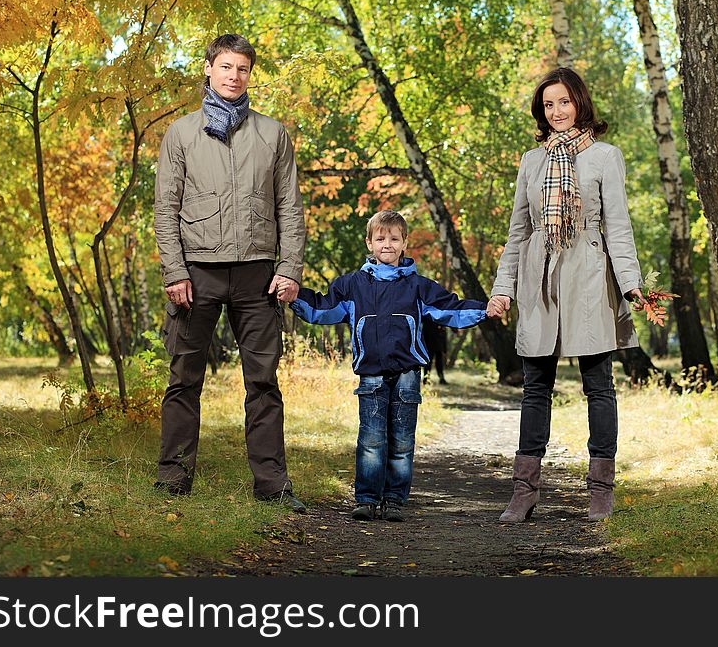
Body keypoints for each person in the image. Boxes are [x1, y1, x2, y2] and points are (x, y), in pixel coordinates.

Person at [153, 34, 307, 513]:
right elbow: (165, 209)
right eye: (225, 66)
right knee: (184, 378)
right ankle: (173, 479)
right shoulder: (180, 133)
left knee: (263, 381)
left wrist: (289, 268)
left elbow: (290, 207)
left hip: (258, 275)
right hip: (196, 274)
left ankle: (272, 485)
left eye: (242, 68)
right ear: (208, 69)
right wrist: (175, 271)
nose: (234, 76)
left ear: (249, 74)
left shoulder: (273, 134)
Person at [487, 68, 645, 522]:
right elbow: (518, 233)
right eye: (548, 105)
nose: (556, 112)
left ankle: (600, 492)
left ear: (580, 103)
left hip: (590, 278)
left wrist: (632, 284)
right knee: (535, 387)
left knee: (599, 385)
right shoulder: (531, 162)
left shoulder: (605, 156)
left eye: (564, 102)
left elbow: (618, 226)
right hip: (540, 278)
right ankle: (524, 491)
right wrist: (503, 290)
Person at [290, 210, 487, 521]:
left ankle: (395, 499)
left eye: (394, 238)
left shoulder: (419, 287)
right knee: (371, 438)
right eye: (380, 238)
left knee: (402, 440)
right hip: (370, 373)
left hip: (408, 374)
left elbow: (450, 308)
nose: (387, 244)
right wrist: (294, 296)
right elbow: (322, 308)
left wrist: (486, 309)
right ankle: (367, 499)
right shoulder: (352, 285)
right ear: (370, 242)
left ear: (404, 243)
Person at [421, 315, 448, 384]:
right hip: (429, 342)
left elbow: (444, 330)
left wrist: (444, 348)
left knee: (439, 362)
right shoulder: (426, 314)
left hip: (438, 342)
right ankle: (426, 379)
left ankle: (441, 378)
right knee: (428, 362)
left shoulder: (441, 314)